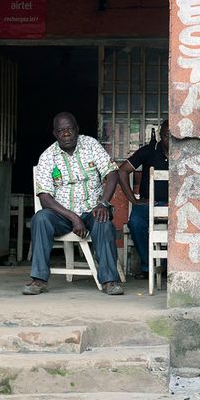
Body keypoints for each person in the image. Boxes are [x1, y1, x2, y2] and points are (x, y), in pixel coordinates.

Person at [24, 112, 123, 296]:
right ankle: (38, 280)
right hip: (62, 215)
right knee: (40, 219)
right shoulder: (48, 157)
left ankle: (110, 281)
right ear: (55, 133)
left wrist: (103, 203)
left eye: (69, 129)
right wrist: (73, 217)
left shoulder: (91, 145)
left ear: (77, 130)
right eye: (61, 130)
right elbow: (44, 198)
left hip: (93, 210)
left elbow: (112, 174)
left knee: (103, 222)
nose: (66, 134)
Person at [117, 120, 169, 279]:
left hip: (176, 205)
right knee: (136, 222)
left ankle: (168, 267)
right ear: (160, 135)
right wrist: (134, 200)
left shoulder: (185, 152)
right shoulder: (149, 150)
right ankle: (149, 266)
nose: (171, 139)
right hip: (150, 204)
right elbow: (122, 171)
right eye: (167, 135)